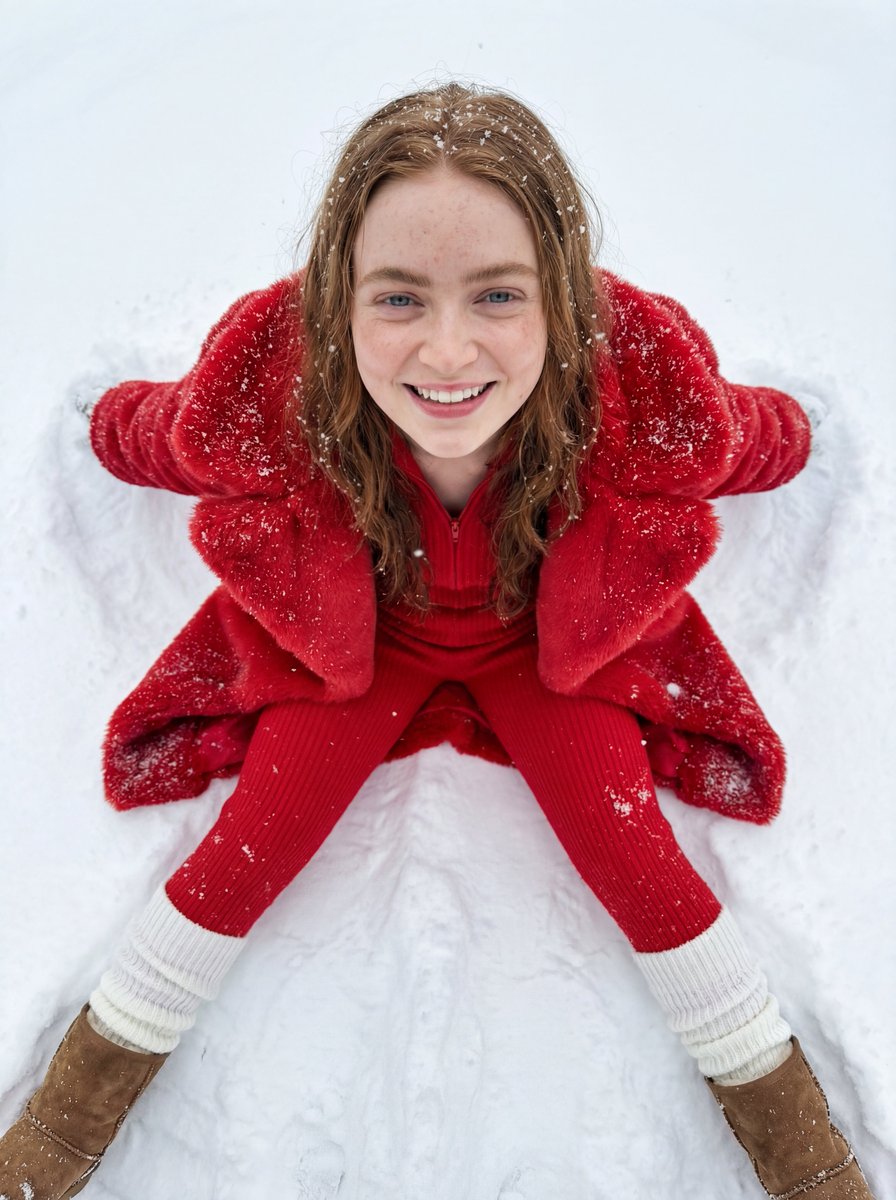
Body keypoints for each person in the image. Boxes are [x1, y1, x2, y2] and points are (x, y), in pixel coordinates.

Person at [0, 81, 875, 1200]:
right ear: (338, 299)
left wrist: (797, 427)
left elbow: (738, 437)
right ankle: (55, 1147)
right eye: (399, 298)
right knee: (234, 865)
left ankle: (810, 1169)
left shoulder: (633, 393)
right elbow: (167, 434)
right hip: (359, 657)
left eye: (497, 294)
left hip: (547, 661)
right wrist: (97, 418)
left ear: (560, 298)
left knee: (647, 875)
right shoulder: (278, 391)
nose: (448, 351)